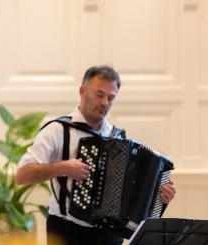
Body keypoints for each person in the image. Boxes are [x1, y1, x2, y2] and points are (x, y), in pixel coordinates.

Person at [15, 65, 176, 245]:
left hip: (109, 235)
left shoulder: (116, 138)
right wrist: (62, 167)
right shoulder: (58, 130)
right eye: (99, 95)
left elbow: (131, 194)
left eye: (111, 98)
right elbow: (22, 175)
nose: (104, 102)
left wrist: (158, 195)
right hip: (67, 231)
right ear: (82, 91)